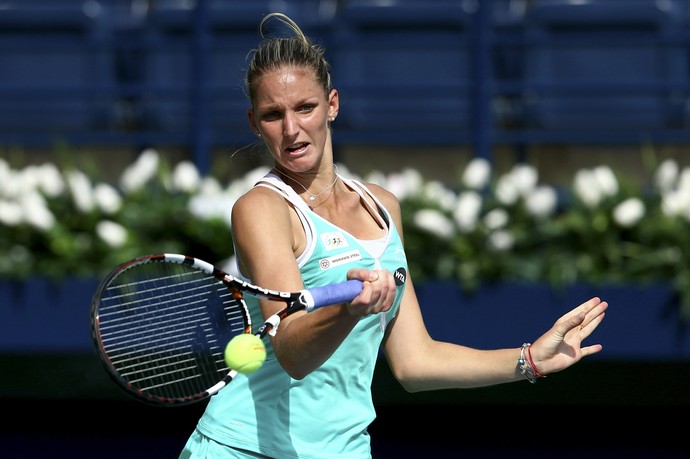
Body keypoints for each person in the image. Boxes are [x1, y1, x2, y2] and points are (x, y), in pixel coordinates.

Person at [180, 12, 607, 459]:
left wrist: (530, 360)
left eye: (305, 107)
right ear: (254, 123)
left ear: (332, 105)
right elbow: (292, 352)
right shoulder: (261, 209)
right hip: (242, 448)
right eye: (273, 115)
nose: (291, 129)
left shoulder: (384, 207)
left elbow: (414, 361)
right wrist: (349, 309)